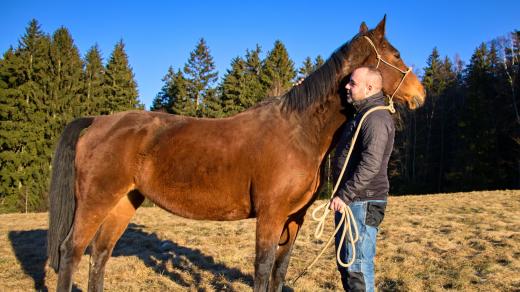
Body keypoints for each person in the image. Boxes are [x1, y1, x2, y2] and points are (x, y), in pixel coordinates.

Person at [329, 66, 395, 292]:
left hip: (361, 201)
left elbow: (371, 164)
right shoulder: (361, 114)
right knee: (347, 264)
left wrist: (344, 196)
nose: (347, 87)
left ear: (369, 88)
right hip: (353, 201)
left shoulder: (375, 118)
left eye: (353, 84)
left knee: (357, 265)